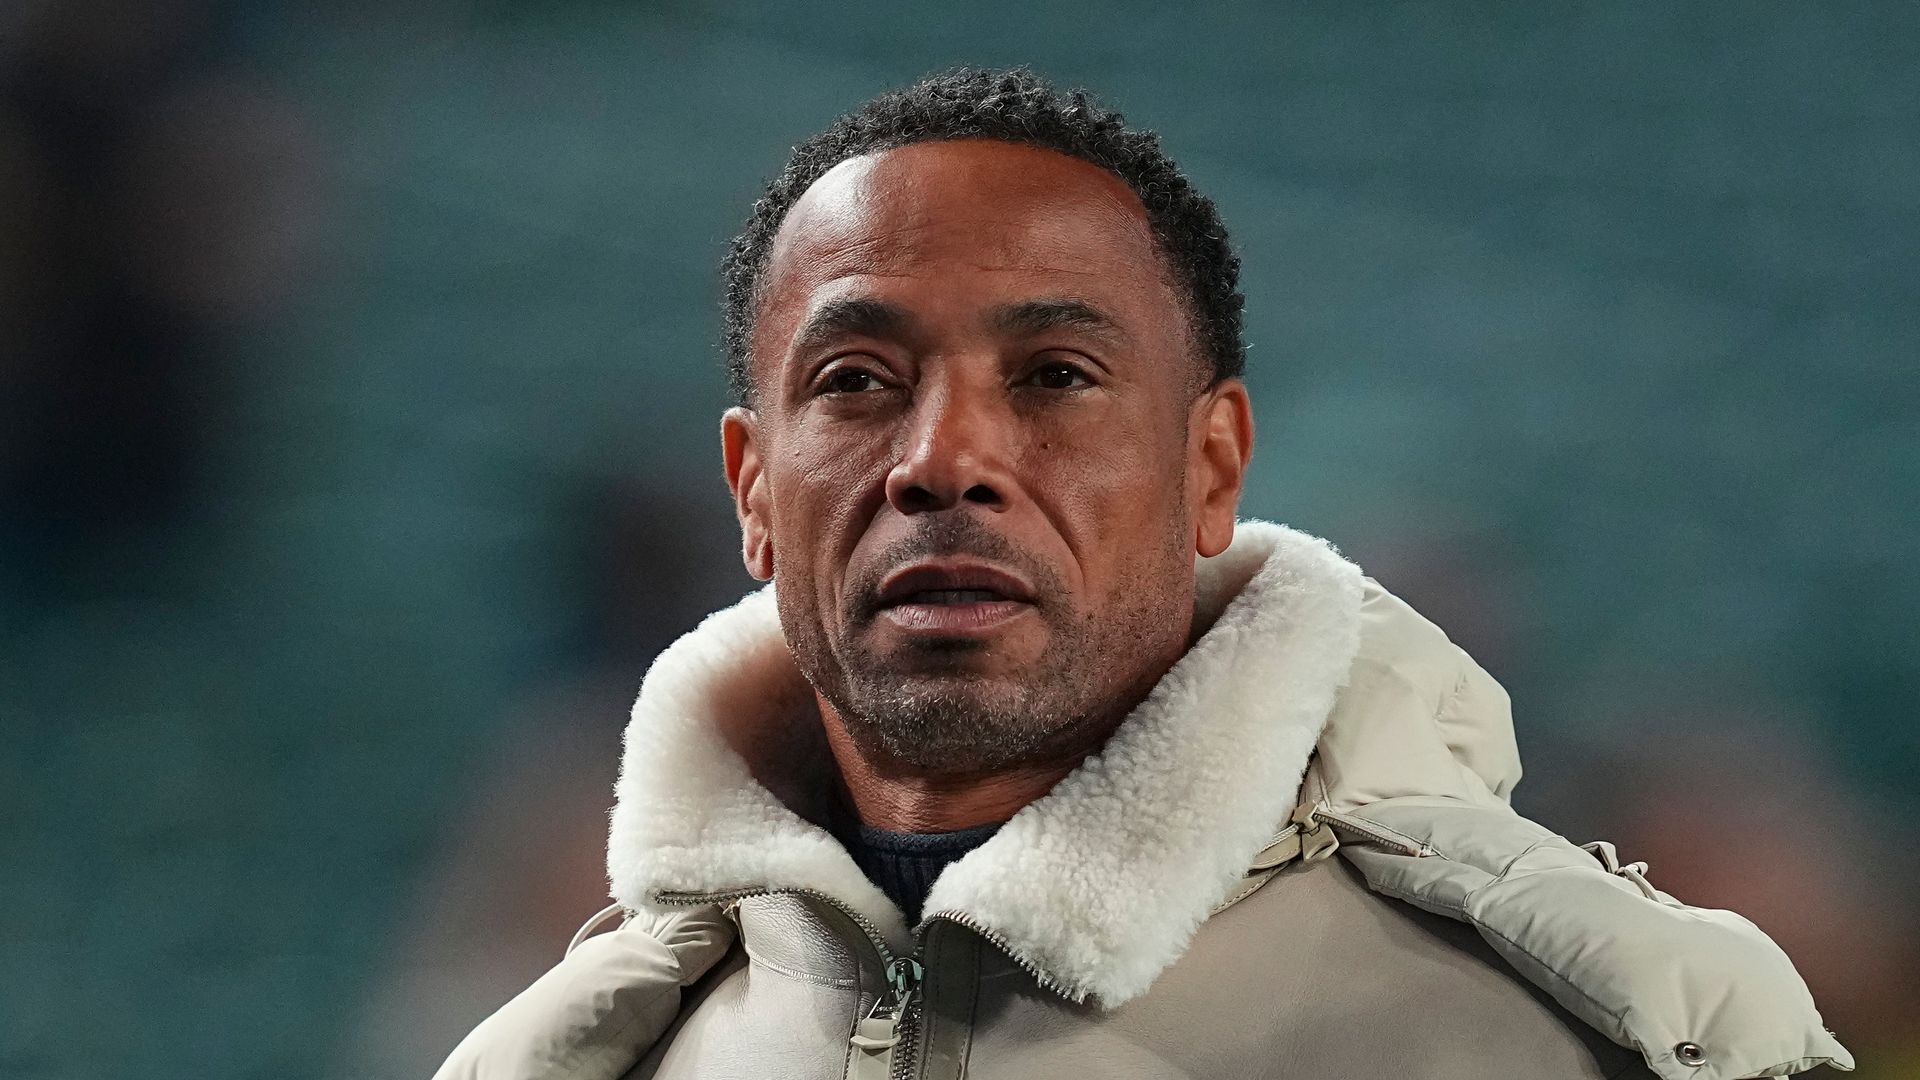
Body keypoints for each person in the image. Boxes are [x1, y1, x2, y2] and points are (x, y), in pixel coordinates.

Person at [436, 68, 1850, 1080]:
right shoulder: (564, 1054)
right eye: (859, 381)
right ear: (751, 489)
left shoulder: (1617, 1032)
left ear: (1213, 468)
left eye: (1055, 376)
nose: (944, 459)